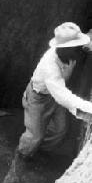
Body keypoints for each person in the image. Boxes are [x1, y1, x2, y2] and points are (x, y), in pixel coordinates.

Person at [17, 22, 92, 159]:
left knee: (59, 130)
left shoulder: (69, 52)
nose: (80, 48)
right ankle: (23, 156)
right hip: (38, 97)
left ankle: (41, 150)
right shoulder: (50, 66)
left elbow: (88, 39)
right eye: (76, 46)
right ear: (65, 48)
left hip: (54, 94)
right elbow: (63, 97)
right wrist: (89, 107)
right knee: (35, 135)